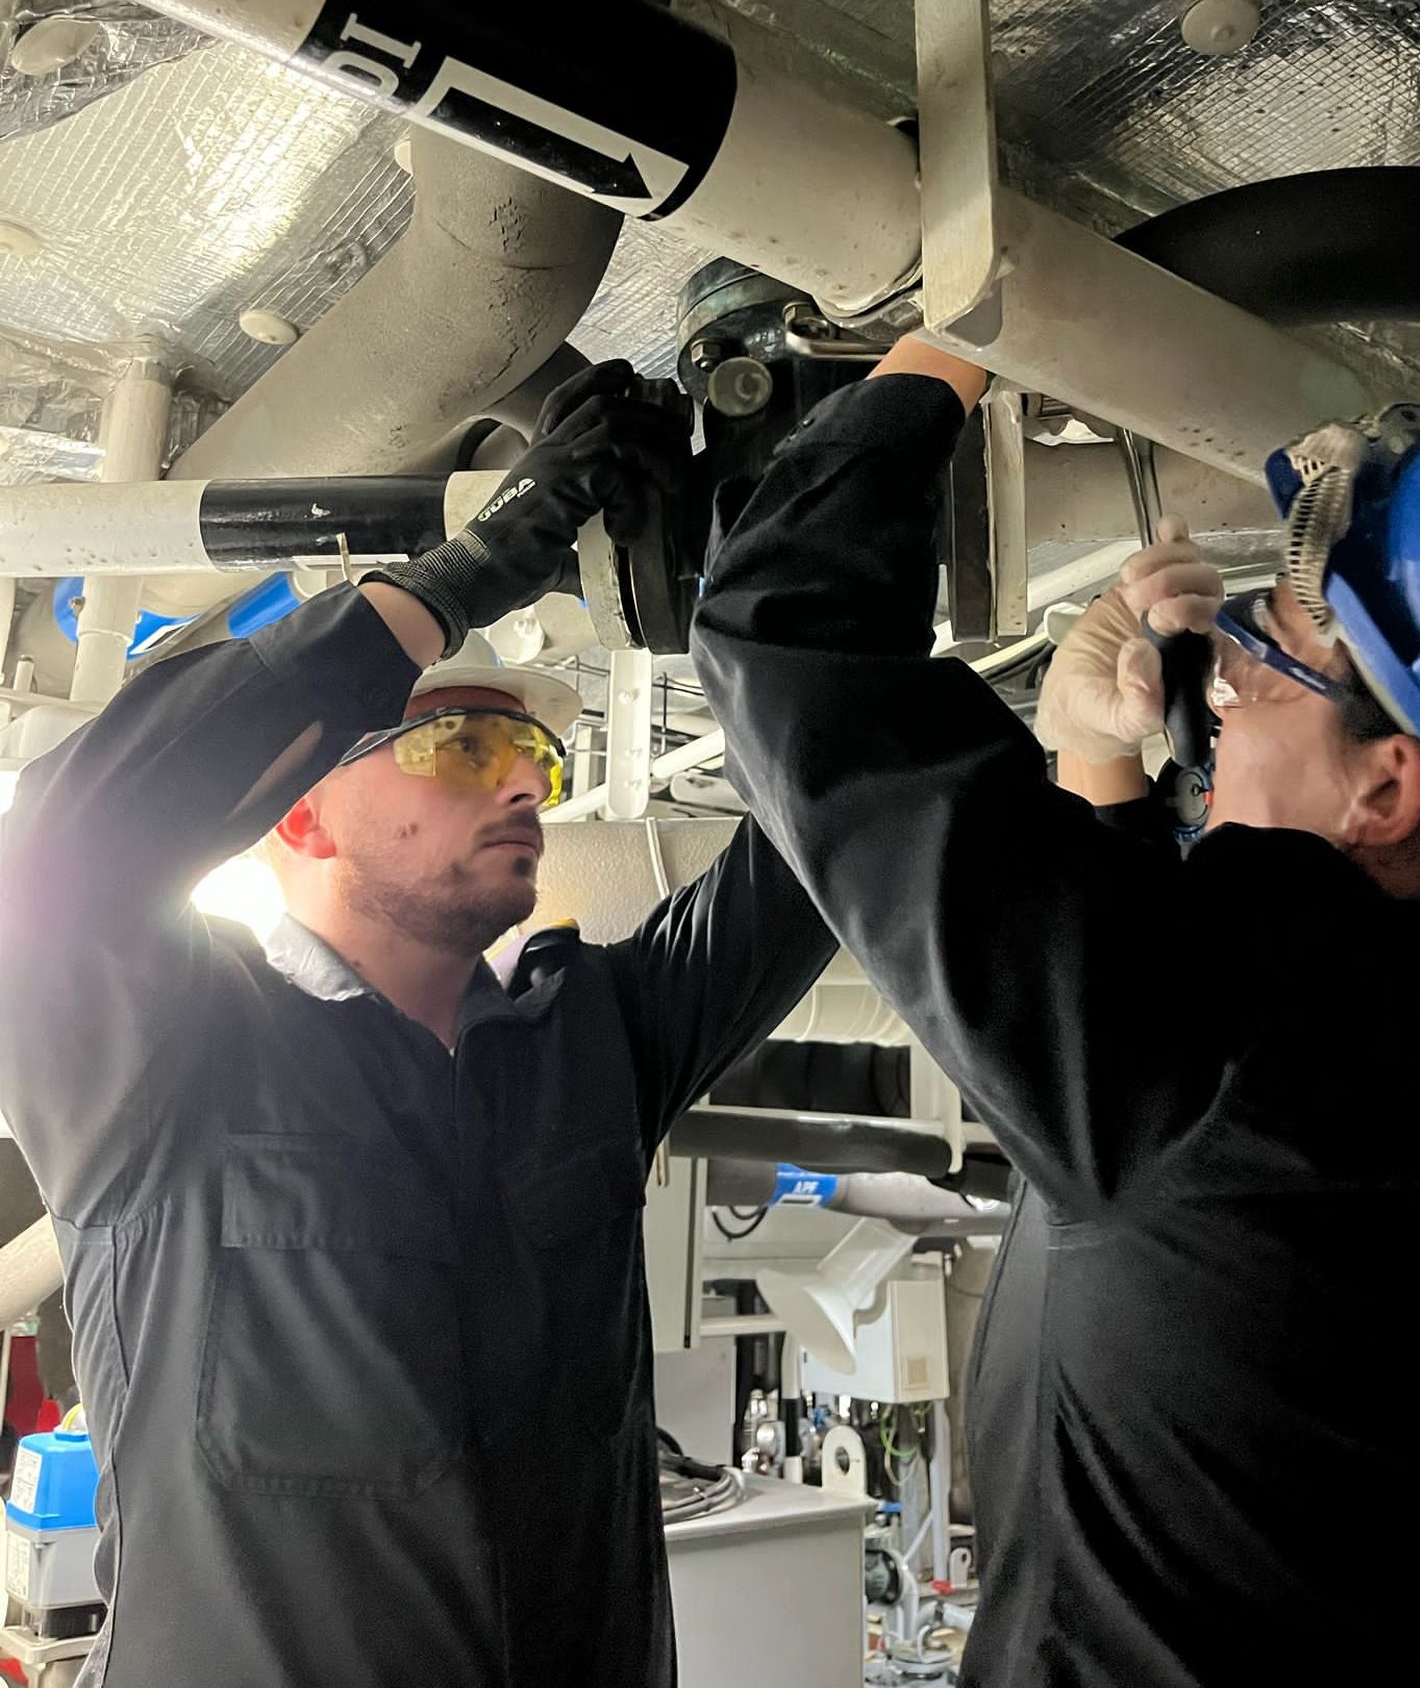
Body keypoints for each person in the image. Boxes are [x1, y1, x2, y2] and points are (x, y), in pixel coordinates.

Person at [691, 337, 1420, 1687]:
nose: (1222, 678)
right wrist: (1099, 764)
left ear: (1390, 788)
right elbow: (1219, 1152)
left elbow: (779, 624)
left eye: (1270, 656)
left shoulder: (1223, 1030)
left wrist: (966, 315)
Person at [0, 361, 836, 1688]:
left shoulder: (591, 1041)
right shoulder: (163, 1056)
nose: (520, 785)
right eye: (457, 751)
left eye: (537, 765)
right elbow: (58, 850)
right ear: (302, 815)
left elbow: (826, 834)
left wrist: (765, 572)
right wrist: (466, 577)